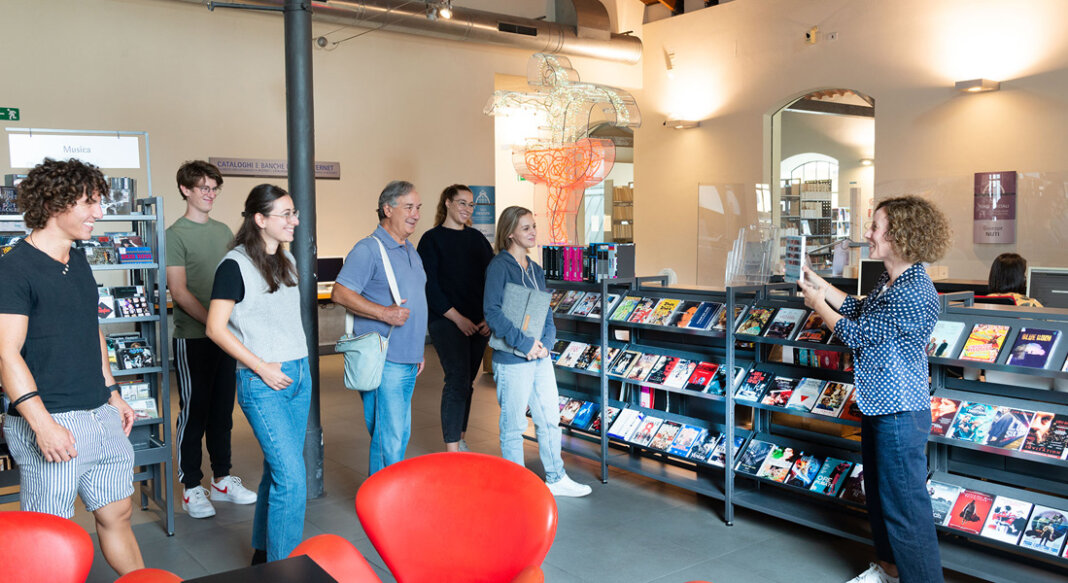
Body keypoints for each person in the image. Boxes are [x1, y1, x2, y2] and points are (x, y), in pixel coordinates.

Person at [0, 158, 144, 575]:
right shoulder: (13, 270)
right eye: (88, 203)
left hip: (98, 411)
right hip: (51, 418)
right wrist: (41, 424)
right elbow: (6, 354)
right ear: (53, 203)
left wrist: (112, 392)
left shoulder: (77, 259)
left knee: (118, 514)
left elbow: (90, 325)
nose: (99, 213)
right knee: (48, 532)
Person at [799, 195, 951, 583]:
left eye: (875, 228)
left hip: (900, 411)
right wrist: (823, 287)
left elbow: (860, 335)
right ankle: (889, 571)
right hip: (880, 405)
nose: (867, 235)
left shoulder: (914, 290)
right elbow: (858, 309)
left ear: (898, 235)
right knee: (883, 499)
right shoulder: (891, 280)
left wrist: (818, 304)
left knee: (905, 507)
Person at [205, 184, 310, 563]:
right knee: (293, 478)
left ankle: (264, 554)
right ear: (260, 219)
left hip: (299, 375)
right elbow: (215, 328)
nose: (294, 220)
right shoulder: (234, 265)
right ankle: (286, 568)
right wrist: (260, 366)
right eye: (286, 214)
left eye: (293, 213)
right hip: (262, 382)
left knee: (278, 471)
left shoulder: (287, 259)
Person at [166, 160, 256, 519]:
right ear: (186, 190)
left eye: (214, 188)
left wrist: (230, 329)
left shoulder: (224, 232)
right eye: (203, 187)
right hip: (194, 338)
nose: (210, 194)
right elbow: (179, 291)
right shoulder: (175, 234)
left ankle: (222, 479)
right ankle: (191, 487)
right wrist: (214, 325)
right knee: (195, 412)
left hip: (226, 339)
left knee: (222, 413)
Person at [484, 205, 591, 497]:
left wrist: (545, 343)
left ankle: (556, 477)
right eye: (527, 228)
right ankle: (515, 487)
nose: (533, 233)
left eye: (534, 226)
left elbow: (545, 312)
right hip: (512, 358)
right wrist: (525, 344)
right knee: (513, 425)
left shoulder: (536, 269)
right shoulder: (499, 267)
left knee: (549, 419)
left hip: (539, 357)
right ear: (510, 233)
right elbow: (492, 313)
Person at [332, 180, 428, 474]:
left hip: (408, 358)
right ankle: (386, 503)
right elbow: (340, 293)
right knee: (391, 437)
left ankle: (385, 496)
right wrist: (384, 314)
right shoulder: (368, 249)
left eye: (418, 208)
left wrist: (418, 352)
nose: (415, 214)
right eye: (408, 207)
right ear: (388, 209)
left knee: (395, 434)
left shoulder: (409, 248)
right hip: (386, 359)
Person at [416, 184, 494, 452]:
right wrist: (458, 319)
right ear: (447, 202)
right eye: (462, 203)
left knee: (467, 382)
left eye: (471, 205)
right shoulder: (431, 239)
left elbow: (492, 279)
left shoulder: (477, 239)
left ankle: (459, 436)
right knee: (457, 378)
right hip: (446, 320)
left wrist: (488, 317)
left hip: (478, 323)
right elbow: (430, 287)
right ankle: (451, 448)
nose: (467, 209)